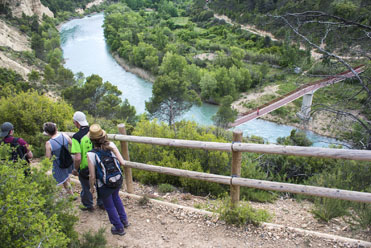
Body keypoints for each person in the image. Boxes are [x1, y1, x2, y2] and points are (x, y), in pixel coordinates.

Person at [87, 124, 130, 236]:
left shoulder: (91, 154)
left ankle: (119, 228)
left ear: (92, 140)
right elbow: (122, 162)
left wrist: (92, 188)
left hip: (104, 184)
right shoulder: (111, 145)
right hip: (117, 179)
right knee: (116, 198)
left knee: (109, 206)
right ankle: (124, 221)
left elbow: (92, 176)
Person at [70, 111, 103, 211]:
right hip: (98, 163)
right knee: (99, 184)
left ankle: (88, 205)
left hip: (85, 167)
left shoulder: (76, 137)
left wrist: (76, 169)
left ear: (76, 122)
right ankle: (101, 203)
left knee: (86, 186)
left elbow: (78, 157)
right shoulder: (94, 132)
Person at [43, 122, 74, 197]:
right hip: (68, 160)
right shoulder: (64, 135)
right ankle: (70, 193)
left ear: (47, 132)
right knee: (66, 177)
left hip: (59, 164)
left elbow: (48, 158)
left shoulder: (49, 143)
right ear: (55, 128)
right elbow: (72, 144)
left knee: (61, 180)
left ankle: (71, 195)